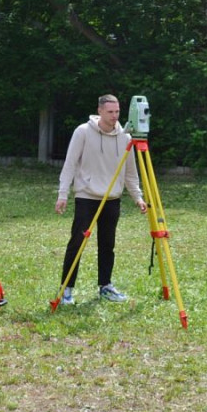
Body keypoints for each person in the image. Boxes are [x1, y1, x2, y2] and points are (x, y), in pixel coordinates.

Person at [55, 94, 148, 304]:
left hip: (112, 199)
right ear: (100, 111)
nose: (114, 116)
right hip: (87, 196)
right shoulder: (83, 132)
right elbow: (69, 165)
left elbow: (131, 173)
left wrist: (138, 198)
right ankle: (66, 289)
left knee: (108, 244)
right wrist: (63, 194)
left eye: (117, 112)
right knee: (77, 242)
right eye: (110, 112)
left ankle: (105, 286)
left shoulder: (125, 137)